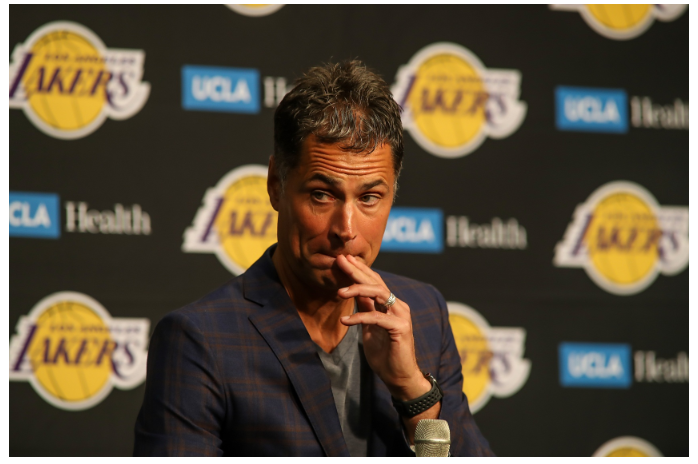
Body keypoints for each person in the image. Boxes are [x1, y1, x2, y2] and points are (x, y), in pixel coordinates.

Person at [133, 60, 494, 457]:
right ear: (276, 184)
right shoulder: (200, 340)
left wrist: (413, 391)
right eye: (322, 194)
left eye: (369, 197)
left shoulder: (424, 315)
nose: (346, 228)